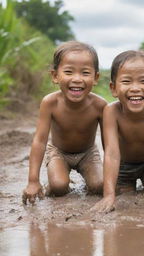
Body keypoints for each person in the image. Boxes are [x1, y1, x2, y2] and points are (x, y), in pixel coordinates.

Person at [92, 50, 144, 222]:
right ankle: (123, 187)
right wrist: (108, 195)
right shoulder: (111, 111)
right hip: (123, 168)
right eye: (126, 81)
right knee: (125, 196)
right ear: (113, 88)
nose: (135, 88)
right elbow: (112, 154)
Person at [22, 41, 107, 204]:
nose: (77, 79)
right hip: (59, 152)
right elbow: (39, 141)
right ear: (55, 76)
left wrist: (112, 181)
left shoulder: (100, 105)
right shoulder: (50, 103)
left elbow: (110, 146)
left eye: (85, 73)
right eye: (68, 72)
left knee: (99, 185)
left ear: (95, 77)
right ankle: (55, 181)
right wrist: (33, 181)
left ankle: (88, 180)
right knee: (59, 187)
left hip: (88, 153)